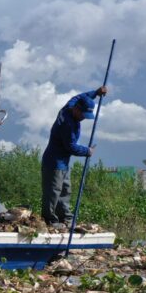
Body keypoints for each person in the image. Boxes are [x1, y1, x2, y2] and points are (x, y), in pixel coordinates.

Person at [41, 86, 107, 229]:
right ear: (77, 109)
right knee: (53, 192)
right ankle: (50, 220)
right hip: (54, 162)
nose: (83, 118)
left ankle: (66, 218)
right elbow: (70, 147)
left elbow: (78, 97)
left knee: (65, 190)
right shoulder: (67, 124)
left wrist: (96, 92)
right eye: (83, 114)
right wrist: (87, 151)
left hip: (64, 162)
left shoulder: (69, 107)